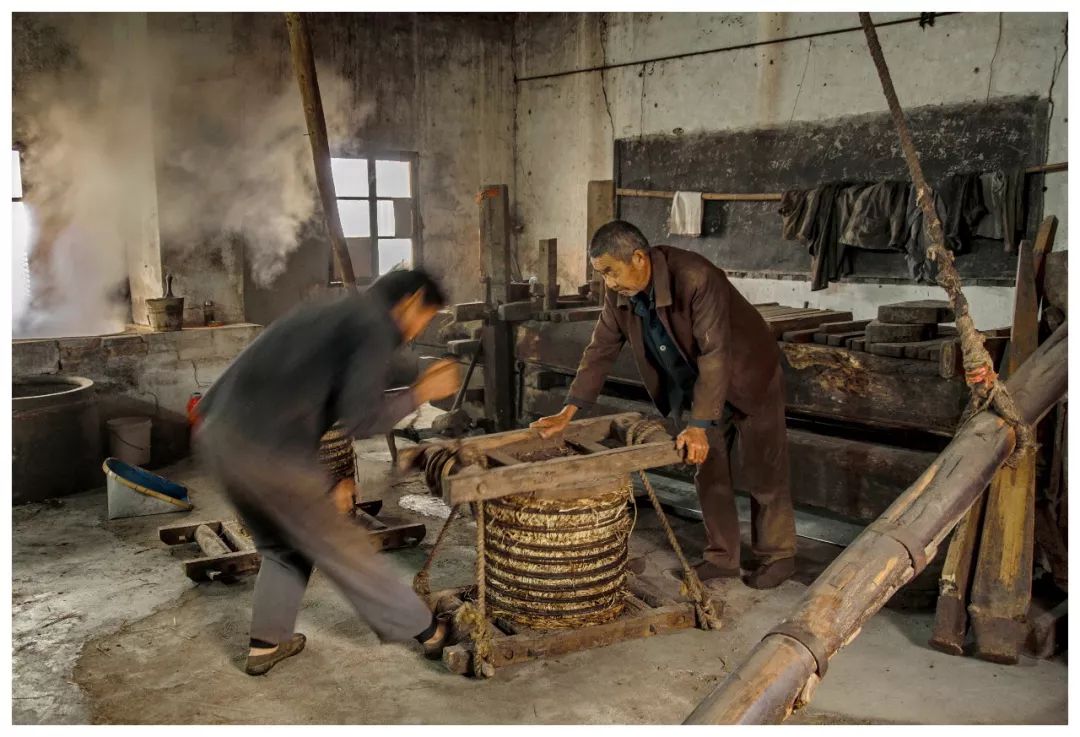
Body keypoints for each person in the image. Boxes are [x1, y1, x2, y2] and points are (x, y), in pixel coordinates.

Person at [195, 268, 460, 675]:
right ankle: (429, 632)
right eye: (427, 317)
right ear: (410, 301)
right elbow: (364, 418)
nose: (420, 329)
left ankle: (267, 644)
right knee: (345, 548)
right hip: (266, 451)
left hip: (218, 437)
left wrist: (328, 477)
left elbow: (302, 393)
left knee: (284, 547)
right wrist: (423, 391)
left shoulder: (333, 309)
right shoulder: (373, 324)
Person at [531, 221, 796, 589]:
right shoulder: (619, 295)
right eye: (601, 274)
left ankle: (778, 556)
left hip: (749, 374)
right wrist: (570, 410)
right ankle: (723, 559)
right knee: (708, 467)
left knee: (764, 471)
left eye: (610, 271)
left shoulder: (697, 277)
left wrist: (700, 424)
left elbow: (715, 354)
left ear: (639, 258)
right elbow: (601, 349)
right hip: (697, 384)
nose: (607, 282)